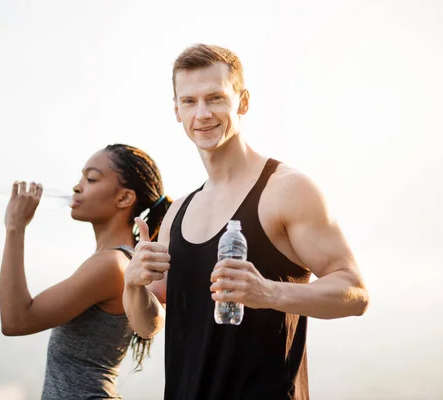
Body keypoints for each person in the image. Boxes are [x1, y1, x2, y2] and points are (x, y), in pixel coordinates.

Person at [123, 44, 370, 400]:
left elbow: (355, 293)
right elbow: (147, 326)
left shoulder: (287, 189)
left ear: (243, 102)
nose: (203, 113)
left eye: (216, 98)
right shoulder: (178, 212)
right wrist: (132, 284)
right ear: (176, 110)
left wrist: (269, 293)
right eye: (189, 101)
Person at [0, 143, 172, 399]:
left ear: (124, 198)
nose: (77, 187)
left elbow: (16, 321)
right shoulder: (119, 260)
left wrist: (15, 228)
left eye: (91, 179)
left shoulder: (111, 265)